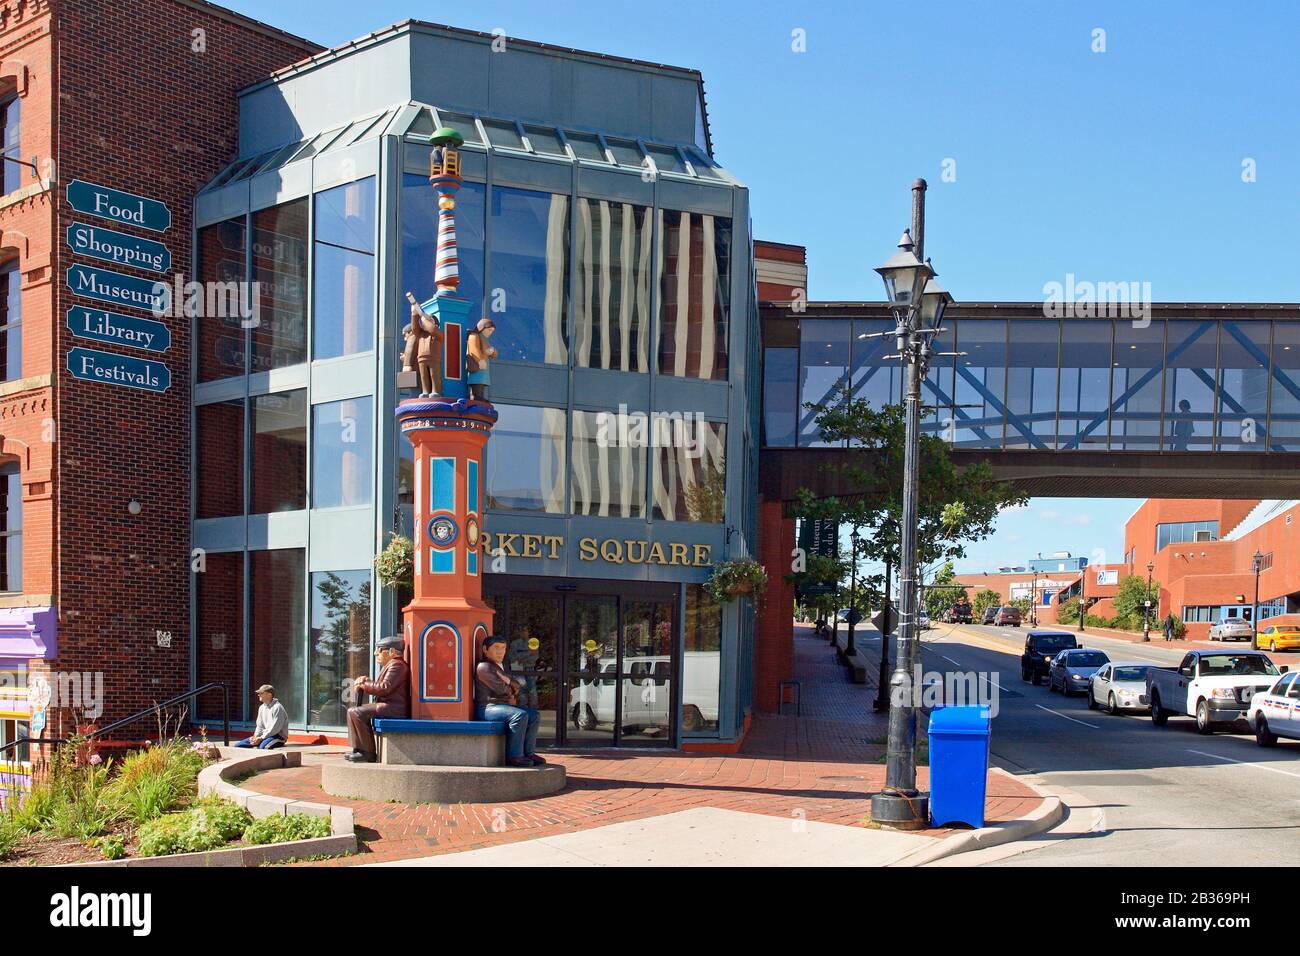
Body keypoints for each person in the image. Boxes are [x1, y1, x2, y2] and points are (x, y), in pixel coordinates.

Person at [475, 634, 543, 767]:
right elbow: (502, 690)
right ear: (485, 649)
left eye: (503, 648)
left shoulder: (501, 667)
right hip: (487, 708)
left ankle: (528, 752)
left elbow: (517, 686)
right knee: (520, 715)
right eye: (496, 648)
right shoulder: (484, 667)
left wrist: (510, 684)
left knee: (534, 715)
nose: (500, 651)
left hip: (503, 706)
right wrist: (510, 685)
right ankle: (514, 755)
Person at [346, 636, 410, 763]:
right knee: (353, 711)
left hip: (393, 707)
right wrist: (366, 682)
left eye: (380, 649)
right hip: (386, 705)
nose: (376, 653)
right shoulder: (392, 665)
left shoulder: (397, 665)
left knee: (356, 712)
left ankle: (368, 752)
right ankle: (359, 749)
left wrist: (364, 684)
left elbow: (384, 688)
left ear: (392, 651)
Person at [236, 684, 287, 749]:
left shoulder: (278, 708)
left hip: (278, 736)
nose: (258, 695)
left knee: (263, 747)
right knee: (238, 745)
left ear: (269, 694)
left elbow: (275, 729)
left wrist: (261, 738)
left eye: (261, 693)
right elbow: (259, 725)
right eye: (258, 693)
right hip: (264, 735)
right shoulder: (261, 707)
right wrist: (256, 737)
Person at [465, 318, 497, 401]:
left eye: (492, 331)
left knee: (481, 381)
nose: (490, 333)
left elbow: (491, 352)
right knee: (476, 380)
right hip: (478, 364)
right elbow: (474, 349)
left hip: (483, 365)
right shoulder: (474, 336)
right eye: (489, 330)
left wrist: (492, 351)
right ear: (482, 328)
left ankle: (480, 396)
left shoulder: (484, 339)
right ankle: (475, 395)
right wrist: (479, 360)